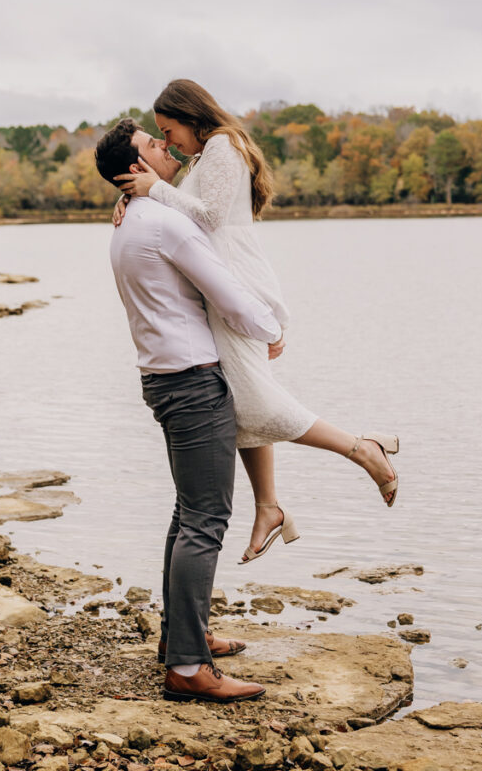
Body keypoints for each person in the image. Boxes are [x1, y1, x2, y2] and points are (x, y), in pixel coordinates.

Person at [113, 79, 400, 565]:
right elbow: (181, 212)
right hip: (221, 286)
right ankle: (269, 505)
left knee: (251, 401)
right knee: (242, 403)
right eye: (159, 135)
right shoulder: (206, 156)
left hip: (235, 283)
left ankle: (362, 448)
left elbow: (206, 218)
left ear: (190, 115)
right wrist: (136, 197)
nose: (169, 142)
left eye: (169, 130)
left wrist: (155, 188)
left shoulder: (223, 146)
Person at [94, 117, 285, 703]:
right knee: (205, 521)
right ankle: (186, 666)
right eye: (153, 145)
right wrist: (271, 328)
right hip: (194, 383)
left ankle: (184, 636)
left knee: (188, 514)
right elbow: (226, 291)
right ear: (135, 170)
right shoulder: (163, 223)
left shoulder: (130, 224)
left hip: (163, 379)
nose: (166, 147)